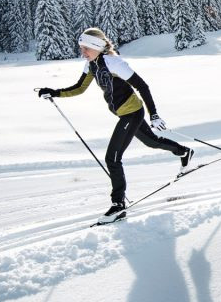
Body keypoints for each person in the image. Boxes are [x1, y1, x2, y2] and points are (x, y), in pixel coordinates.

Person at [38, 28, 192, 223]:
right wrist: (54, 92)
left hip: (132, 113)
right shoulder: (90, 65)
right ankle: (184, 152)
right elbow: (79, 88)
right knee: (152, 142)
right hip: (125, 113)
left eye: (85, 48)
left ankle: (118, 206)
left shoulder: (114, 63)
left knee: (112, 158)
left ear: (96, 47)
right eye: (81, 48)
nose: (82, 52)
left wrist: (154, 115)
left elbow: (142, 86)